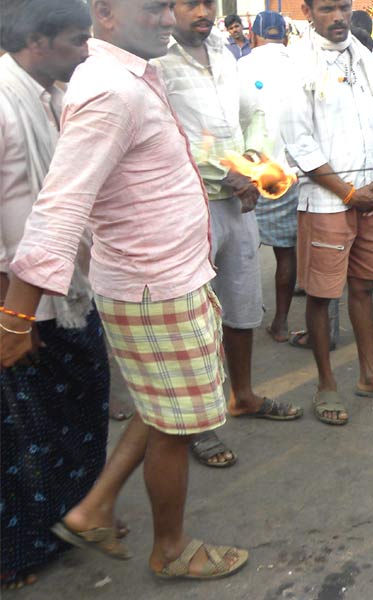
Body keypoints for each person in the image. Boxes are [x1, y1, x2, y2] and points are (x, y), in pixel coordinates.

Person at [0, 0, 249, 580]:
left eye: (171, 6)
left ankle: (96, 506)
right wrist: (17, 318)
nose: (168, 19)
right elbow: (59, 208)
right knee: (178, 422)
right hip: (154, 287)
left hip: (164, 278)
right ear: (105, 13)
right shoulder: (111, 89)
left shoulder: (129, 75)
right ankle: (171, 550)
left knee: (164, 407)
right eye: (155, 7)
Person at [156, 0, 301, 468]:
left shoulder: (223, 52)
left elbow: (254, 115)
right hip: (184, 205)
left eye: (209, 3)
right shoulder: (153, 59)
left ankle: (242, 395)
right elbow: (162, 136)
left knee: (241, 305)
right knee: (193, 317)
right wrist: (224, 172)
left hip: (238, 204)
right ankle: (197, 422)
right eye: (190, 4)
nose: (203, 11)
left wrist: (253, 162)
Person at [0, 0, 106, 590]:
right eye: (75, 40)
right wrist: (12, 315)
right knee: (22, 431)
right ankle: (21, 547)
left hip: (66, 290)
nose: (86, 51)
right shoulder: (2, 101)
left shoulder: (55, 96)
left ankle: (68, 516)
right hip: (20, 303)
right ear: (37, 41)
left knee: (78, 407)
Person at [281, 0, 373, 426]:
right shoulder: (297, 66)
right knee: (322, 296)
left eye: (343, 6)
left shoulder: (366, 56)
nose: (338, 17)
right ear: (306, 11)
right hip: (325, 202)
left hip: (366, 200)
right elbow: (299, 144)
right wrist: (347, 192)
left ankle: (370, 375)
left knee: (363, 286)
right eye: (326, 9)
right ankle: (326, 384)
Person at [238, 11, 300, 345]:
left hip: (248, 171)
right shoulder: (300, 65)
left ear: (253, 36)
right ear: (285, 37)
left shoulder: (241, 66)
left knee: (239, 254)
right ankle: (280, 323)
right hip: (289, 172)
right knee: (285, 252)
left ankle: (236, 320)